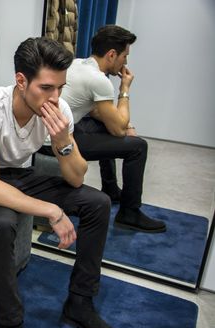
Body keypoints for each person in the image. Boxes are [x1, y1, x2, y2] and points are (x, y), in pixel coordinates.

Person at [0, 37, 127, 328]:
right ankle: (11, 324)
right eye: (46, 88)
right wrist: (50, 210)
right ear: (21, 80)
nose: (55, 97)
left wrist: (62, 141)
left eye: (60, 87)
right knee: (3, 223)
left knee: (97, 202)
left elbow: (75, 178)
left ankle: (80, 305)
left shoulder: (60, 111)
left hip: (17, 174)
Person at [60, 24, 166, 233]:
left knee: (105, 125)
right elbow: (118, 129)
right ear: (111, 55)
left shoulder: (78, 64)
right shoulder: (99, 80)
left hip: (62, 129)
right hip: (60, 140)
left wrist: (128, 126)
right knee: (138, 147)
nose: (125, 62)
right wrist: (124, 89)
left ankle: (110, 188)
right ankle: (130, 212)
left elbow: (98, 113)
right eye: (124, 56)